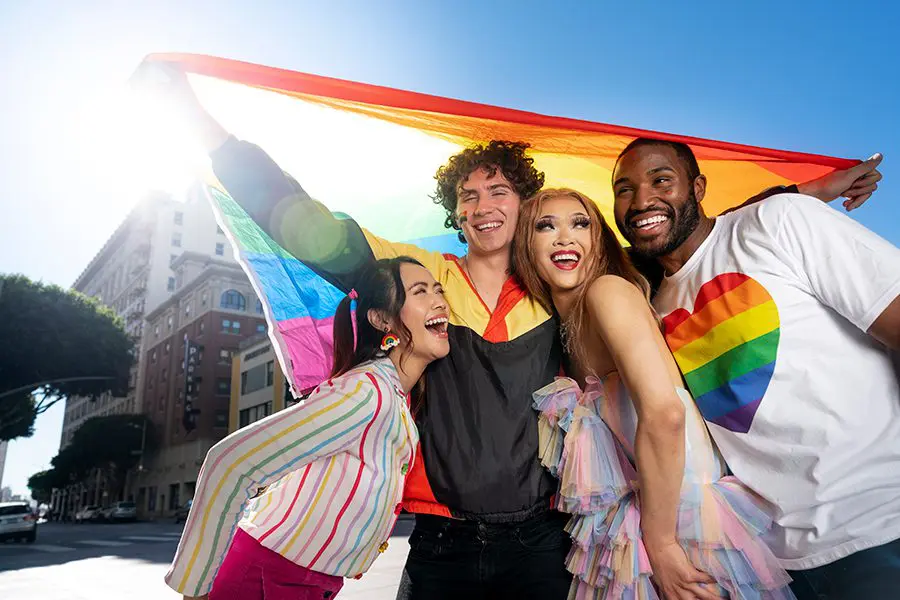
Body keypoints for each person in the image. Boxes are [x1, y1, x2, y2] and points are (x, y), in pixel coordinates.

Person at [139, 61, 882, 599]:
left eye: (499, 190)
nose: (483, 203)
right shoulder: (417, 278)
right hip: (441, 548)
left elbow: (683, 237)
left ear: (525, 205)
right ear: (454, 214)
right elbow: (299, 219)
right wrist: (199, 126)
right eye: (467, 195)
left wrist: (800, 194)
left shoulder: (573, 293)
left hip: (544, 549)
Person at [612, 138, 900, 600]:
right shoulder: (647, 306)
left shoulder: (779, 220)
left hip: (880, 526)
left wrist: (802, 192)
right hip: (771, 563)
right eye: (623, 190)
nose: (642, 200)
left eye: (661, 180)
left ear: (699, 186)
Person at [515, 188, 795, 599]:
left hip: (683, 530)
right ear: (525, 244)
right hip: (636, 531)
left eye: (580, 223)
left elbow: (665, 414)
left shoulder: (606, 291)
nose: (564, 238)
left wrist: (662, 544)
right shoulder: (566, 330)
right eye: (545, 226)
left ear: (598, 240)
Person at [165, 257, 450, 600]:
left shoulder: (397, 400)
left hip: (308, 583)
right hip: (265, 576)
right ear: (381, 319)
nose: (439, 301)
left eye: (439, 290)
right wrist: (196, 589)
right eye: (421, 291)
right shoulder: (365, 393)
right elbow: (230, 463)